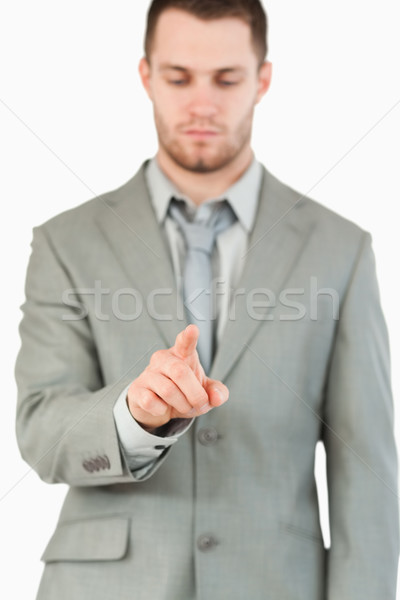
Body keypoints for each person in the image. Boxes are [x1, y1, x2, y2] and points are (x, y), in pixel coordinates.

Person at [15, 1, 399, 598]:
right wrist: (133, 416)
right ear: (146, 76)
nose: (202, 104)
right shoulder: (65, 242)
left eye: (226, 79)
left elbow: (366, 471)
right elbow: (40, 428)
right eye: (178, 78)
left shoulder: (341, 250)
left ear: (262, 80)